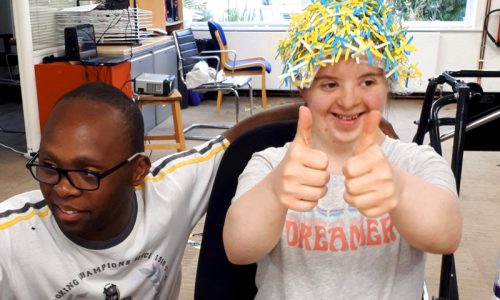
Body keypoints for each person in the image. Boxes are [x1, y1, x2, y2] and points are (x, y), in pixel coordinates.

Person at [223, 0, 463, 299]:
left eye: (367, 81)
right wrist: (274, 192)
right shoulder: (271, 165)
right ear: (303, 86)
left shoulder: (416, 161)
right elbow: (238, 248)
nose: (349, 100)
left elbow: (447, 235)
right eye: (329, 84)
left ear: (387, 82)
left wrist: (399, 189)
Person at [0, 81, 298, 299]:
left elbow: (233, 138)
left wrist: (327, 112)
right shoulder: (10, 237)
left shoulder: (171, 191)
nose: (63, 189)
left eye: (87, 173)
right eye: (49, 166)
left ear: (138, 170)